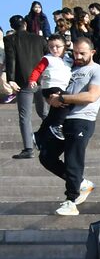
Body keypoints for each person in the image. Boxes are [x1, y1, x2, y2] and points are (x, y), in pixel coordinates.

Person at [41, 34, 100, 216]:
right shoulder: (69, 68)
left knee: (73, 160)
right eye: (75, 53)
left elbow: (91, 96)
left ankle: (71, 200)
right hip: (62, 119)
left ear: (92, 52)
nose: (78, 57)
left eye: (82, 53)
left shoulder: (99, 71)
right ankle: (81, 183)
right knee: (46, 156)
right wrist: (51, 98)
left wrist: (61, 98)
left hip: (82, 120)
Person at [5, 14, 49, 159]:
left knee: (25, 116)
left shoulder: (10, 39)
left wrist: (11, 79)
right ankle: (53, 141)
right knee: (44, 113)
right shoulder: (39, 39)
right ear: (25, 24)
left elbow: (11, 60)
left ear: (12, 27)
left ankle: (28, 148)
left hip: (23, 81)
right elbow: (47, 58)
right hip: (41, 79)